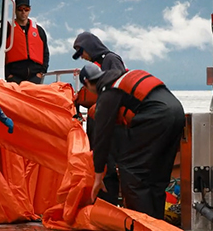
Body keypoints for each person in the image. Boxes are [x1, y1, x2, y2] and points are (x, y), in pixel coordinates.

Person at [81, 64, 185, 219]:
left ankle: (144, 226)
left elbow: (102, 137)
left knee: (131, 171)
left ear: (87, 83)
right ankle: (158, 225)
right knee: (157, 175)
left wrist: (97, 176)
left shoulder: (109, 91)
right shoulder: (125, 78)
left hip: (157, 116)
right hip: (178, 113)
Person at [72, 31, 127, 206]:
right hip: (107, 121)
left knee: (109, 165)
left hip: (113, 125)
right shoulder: (103, 63)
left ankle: (108, 203)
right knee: (106, 163)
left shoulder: (111, 60)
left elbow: (116, 91)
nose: (83, 57)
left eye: (83, 53)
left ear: (90, 48)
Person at [5, 0, 50, 84]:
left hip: (35, 77)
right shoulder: (7, 29)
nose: (23, 12)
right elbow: (0, 53)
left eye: (26, 9)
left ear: (30, 10)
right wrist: (8, 74)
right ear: (14, 10)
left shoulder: (39, 30)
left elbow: (45, 53)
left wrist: (41, 73)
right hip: (14, 77)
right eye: (20, 9)